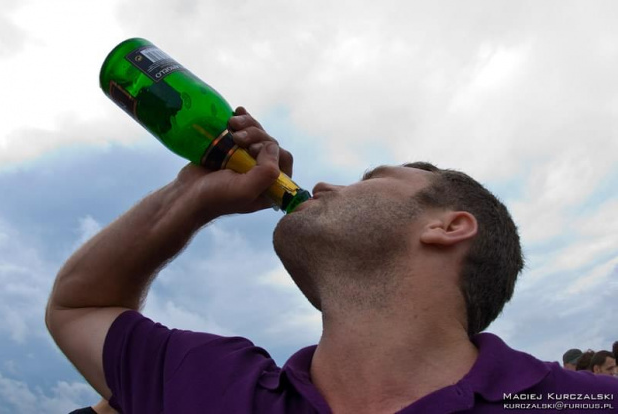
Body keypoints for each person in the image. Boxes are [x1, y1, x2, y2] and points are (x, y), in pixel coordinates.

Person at [46, 108, 618, 413]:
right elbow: (80, 304)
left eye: (371, 178)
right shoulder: (212, 384)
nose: (320, 183)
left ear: (448, 226)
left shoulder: (584, 403)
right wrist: (191, 195)